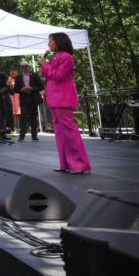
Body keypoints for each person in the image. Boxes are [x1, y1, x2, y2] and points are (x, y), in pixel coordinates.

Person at [40, 33, 91, 174]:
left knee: (69, 131)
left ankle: (79, 164)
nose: (48, 44)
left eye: (50, 41)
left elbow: (58, 75)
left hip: (63, 98)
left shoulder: (66, 57)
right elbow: (47, 74)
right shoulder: (56, 57)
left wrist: (45, 65)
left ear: (58, 42)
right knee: (60, 133)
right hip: (54, 98)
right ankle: (66, 164)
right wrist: (44, 66)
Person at [14, 62, 45, 142]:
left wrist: (31, 88)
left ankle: (34, 135)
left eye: (25, 66)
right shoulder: (19, 77)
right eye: (22, 66)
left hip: (33, 98)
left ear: (29, 67)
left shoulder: (34, 75)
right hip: (24, 99)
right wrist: (22, 89)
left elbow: (41, 86)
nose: (24, 68)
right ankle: (22, 135)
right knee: (23, 117)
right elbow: (15, 89)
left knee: (33, 117)